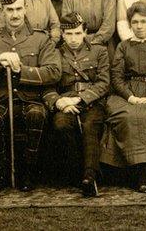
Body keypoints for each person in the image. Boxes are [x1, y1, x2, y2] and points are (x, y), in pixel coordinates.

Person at [0, 0, 61, 192]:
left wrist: (21, 71)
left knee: (36, 114)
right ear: (2, 13)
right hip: (0, 98)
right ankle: (1, 173)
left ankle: (29, 173)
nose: (14, 15)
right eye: (9, 10)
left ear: (26, 9)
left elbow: (54, 72)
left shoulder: (41, 39)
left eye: (19, 9)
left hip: (31, 98)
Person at [101, 1, 146, 193]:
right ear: (130, 24)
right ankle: (138, 173)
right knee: (128, 116)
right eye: (135, 22)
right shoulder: (123, 46)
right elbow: (116, 76)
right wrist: (129, 96)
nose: (139, 26)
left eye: (143, 22)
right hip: (126, 94)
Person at [43, 14, 109, 197]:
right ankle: (76, 173)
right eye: (69, 33)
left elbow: (104, 83)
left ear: (85, 33)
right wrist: (59, 102)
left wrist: (81, 99)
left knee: (90, 126)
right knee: (61, 125)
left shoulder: (99, 51)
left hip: (91, 101)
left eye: (78, 33)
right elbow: (47, 85)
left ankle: (89, 175)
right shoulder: (53, 53)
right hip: (65, 101)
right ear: (62, 34)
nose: (73, 38)